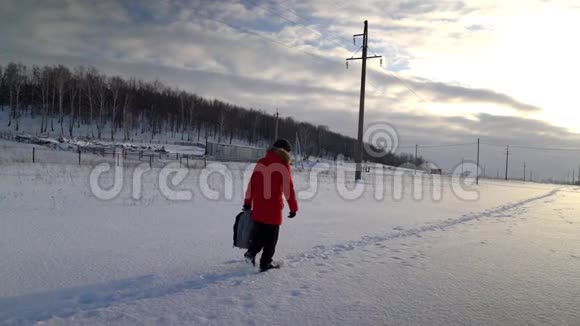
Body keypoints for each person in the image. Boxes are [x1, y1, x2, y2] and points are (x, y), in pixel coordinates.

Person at [243, 139, 298, 272]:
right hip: (273, 210)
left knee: (259, 235)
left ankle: (251, 253)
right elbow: (288, 189)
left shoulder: (261, 162)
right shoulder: (283, 165)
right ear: (285, 151)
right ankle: (265, 263)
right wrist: (293, 208)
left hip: (259, 207)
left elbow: (252, 184)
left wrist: (247, 203)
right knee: (271, 239)